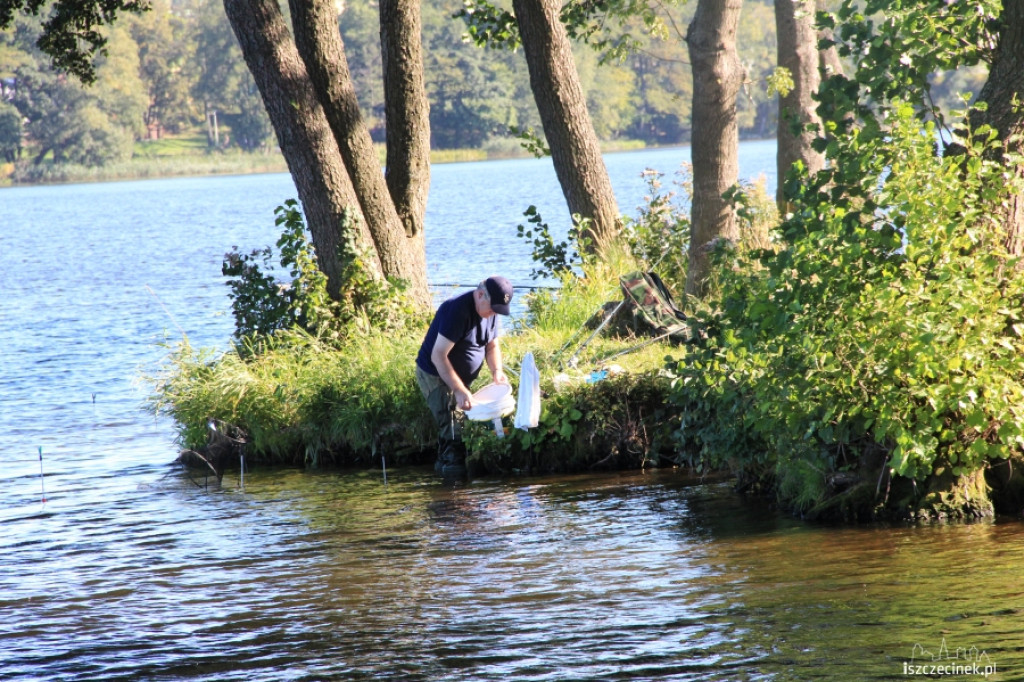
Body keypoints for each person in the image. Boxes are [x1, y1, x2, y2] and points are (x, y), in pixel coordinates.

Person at [415, 276, 513, 477]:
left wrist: (497, 371)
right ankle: (451, 482)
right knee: (453, 427)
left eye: (498, 309)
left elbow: (492, 345)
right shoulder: (457, 311)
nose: (494, 313)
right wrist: (459, 390)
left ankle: (447, 469)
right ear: (479, 295)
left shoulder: (491, 310)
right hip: (435, 374)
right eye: (493, 308)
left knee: (461, 424)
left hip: (459, 377)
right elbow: (438, 355)